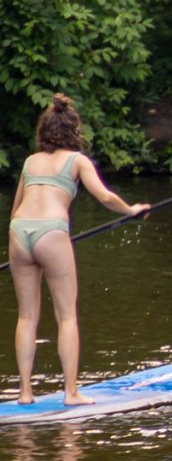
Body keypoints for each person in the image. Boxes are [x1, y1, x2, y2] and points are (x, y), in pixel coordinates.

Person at [9, 94, 149, 406]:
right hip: (51, 231)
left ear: (44, 130)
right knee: (67, 316)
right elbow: (105, 197)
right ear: (74, 130)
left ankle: (25, 393)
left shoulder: (30, 162)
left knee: (27, 316)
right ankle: (71, 393)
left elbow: (16, 209)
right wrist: (132, 210)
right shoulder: (77, 161)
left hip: (19, 231)